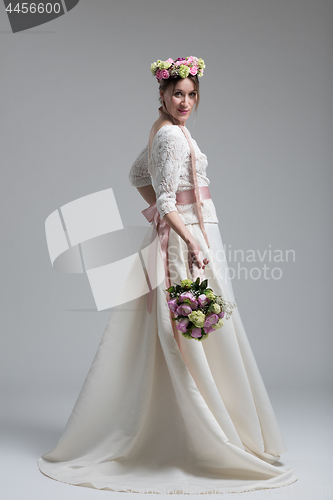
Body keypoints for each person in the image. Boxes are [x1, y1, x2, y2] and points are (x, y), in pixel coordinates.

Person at [37, 57, 298, 494]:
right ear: (160, 93)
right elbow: (166, 200)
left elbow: (137, 176)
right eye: (177, 93)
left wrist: (171, 220)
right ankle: (206, 433)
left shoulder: (165, 132)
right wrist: (192, 239)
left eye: (192, 95)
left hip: (190, 230)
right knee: (196, 325)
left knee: (195, 325)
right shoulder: (172, 136)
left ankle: (198, 425)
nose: (185, 102)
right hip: (191, 236)